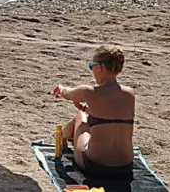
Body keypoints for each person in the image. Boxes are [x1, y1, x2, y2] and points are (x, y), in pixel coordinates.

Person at [52, 45, 136, 178]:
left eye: (91, 66)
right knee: (90, 118)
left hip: (95, 165)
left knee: (81, 117)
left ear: (99, 67)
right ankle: (63, 136)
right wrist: (86, 108)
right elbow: (111, 116)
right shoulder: (130, 94)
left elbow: (67, 93)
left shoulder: (88, 92)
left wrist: (61, 88)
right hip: (125, 167)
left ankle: (62, 137)